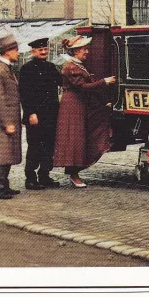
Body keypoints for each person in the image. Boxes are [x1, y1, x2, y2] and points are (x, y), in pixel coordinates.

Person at [53, 36, 116, 188]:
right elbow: (83, 87)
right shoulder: (71, 67)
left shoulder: (78, 65)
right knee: (75, 138)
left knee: (79, 137)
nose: (87, 52)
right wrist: (104, 82)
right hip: (73, 105)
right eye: (84, 49)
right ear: (76, 51)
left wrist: (103, 101)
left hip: (78, 103)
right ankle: (73, 173)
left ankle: (73, 170)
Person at [18, 37, 61, 190]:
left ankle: (44, 175)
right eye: (40, 50)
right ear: (33, 51)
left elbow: (62, 82)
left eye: (45, 49)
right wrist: (30, 113)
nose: (43, 52)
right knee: (35, 146)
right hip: (35, 116)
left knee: (49, 146)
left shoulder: (51, 67)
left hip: (51, 114)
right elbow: (24, 94)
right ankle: (30, 178)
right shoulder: (26, 69)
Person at [0, 34, 22, 200]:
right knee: (1, 154)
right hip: (2, 121)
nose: (18, 54)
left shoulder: (5, 69)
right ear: (8, 51)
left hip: (10, 119)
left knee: (7, 153)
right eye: (16, 50)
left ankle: (4, 185)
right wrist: (7, 122)